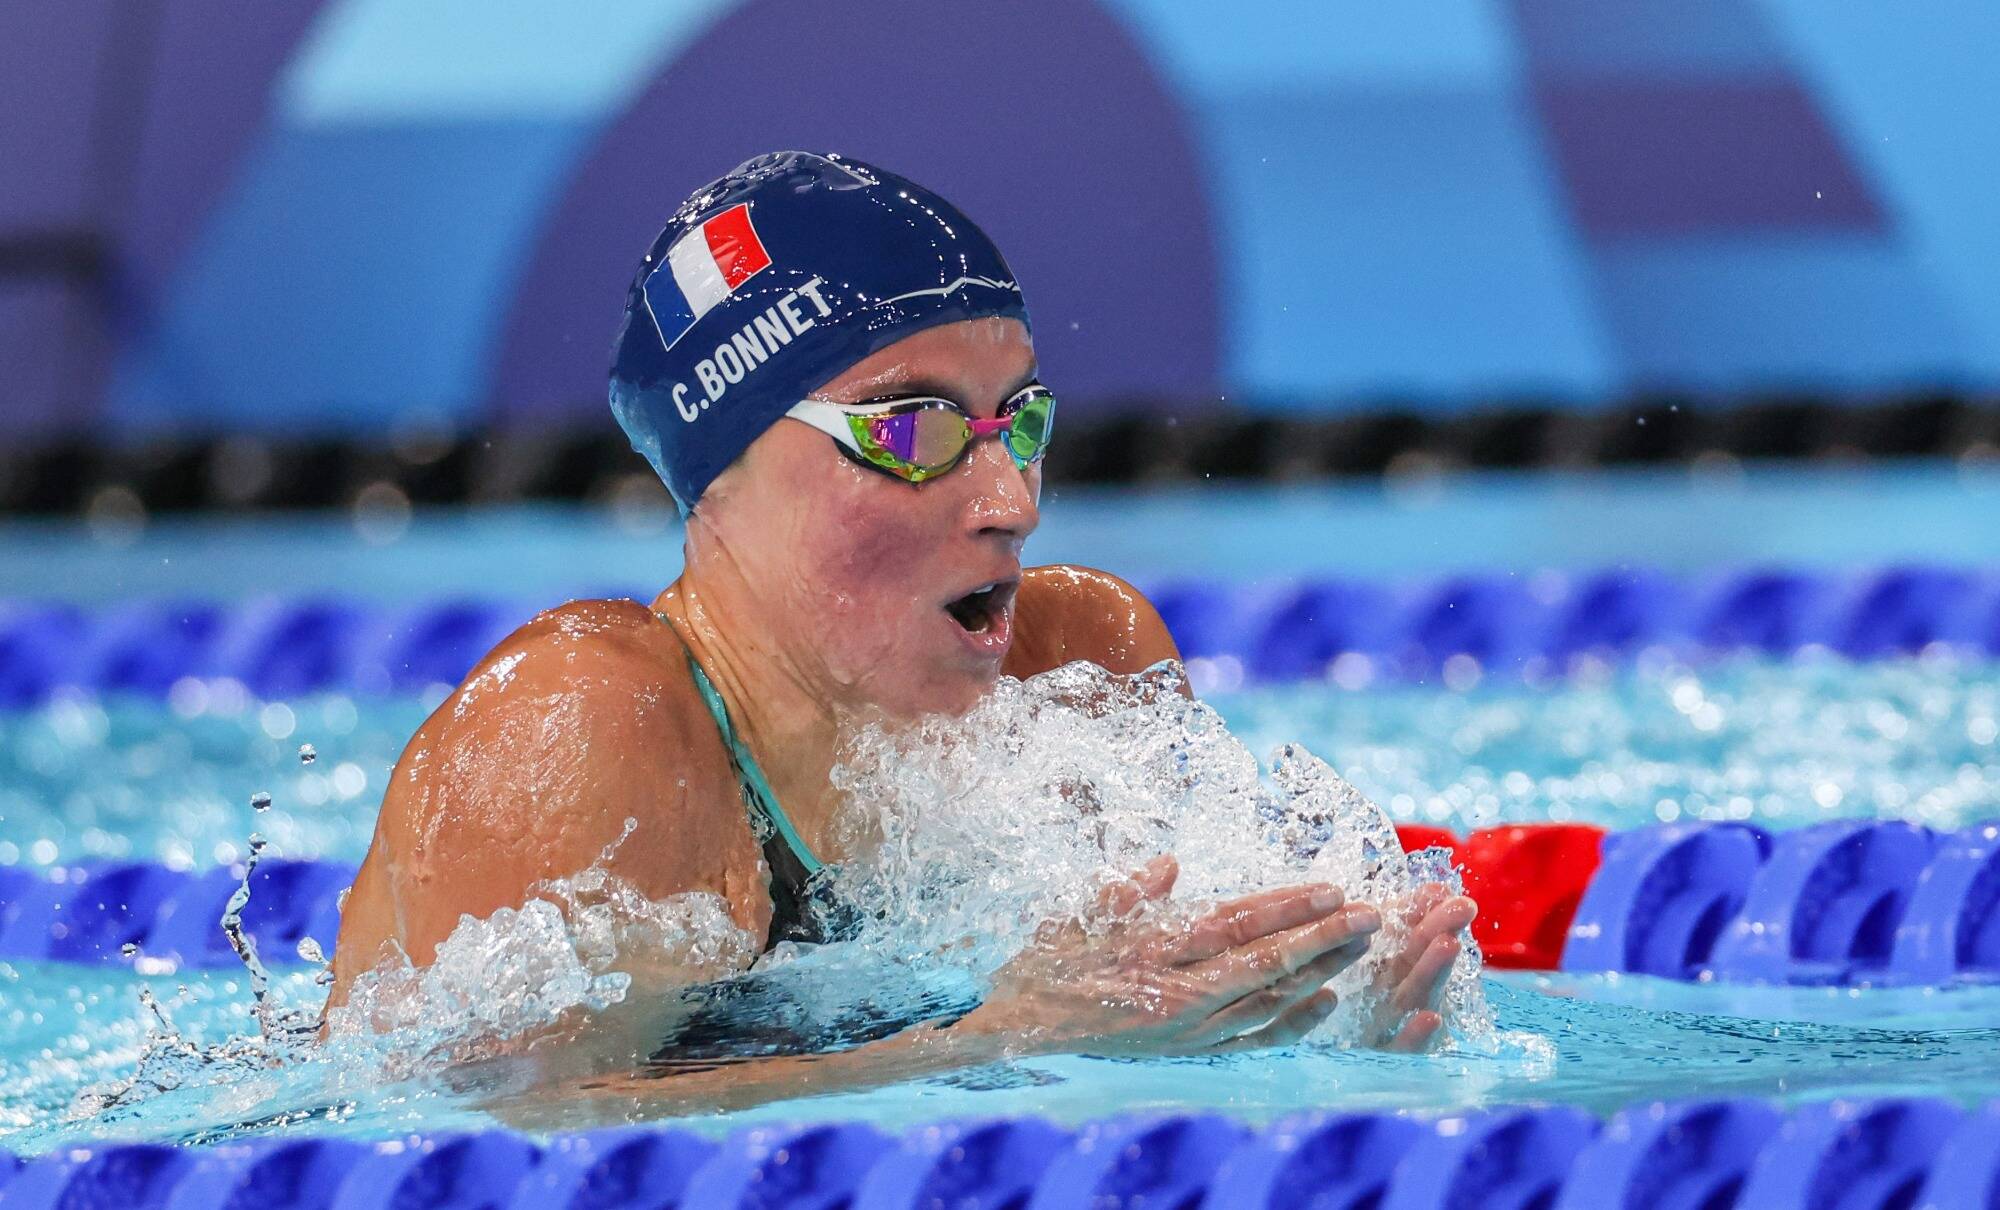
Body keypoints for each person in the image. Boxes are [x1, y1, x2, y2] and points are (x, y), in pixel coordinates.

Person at [328, 152, 1475, 1107]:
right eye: (911, 429)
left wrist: (1323, 1024)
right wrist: (998, 1033)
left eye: (1016, 423)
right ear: (720, 472)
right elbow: (480, 1138)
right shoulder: (583, 738)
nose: (1009, 502)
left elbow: (1153, 1048)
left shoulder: (1080, 656)